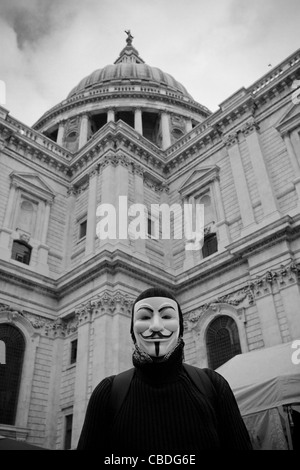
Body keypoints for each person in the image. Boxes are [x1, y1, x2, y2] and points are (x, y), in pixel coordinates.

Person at [77, 286, 253, 451]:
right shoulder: (108, 393)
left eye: (167, 316)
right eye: (145, 317)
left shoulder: (214, 385)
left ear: (181, 328)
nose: (155, 326)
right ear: (132, 331)